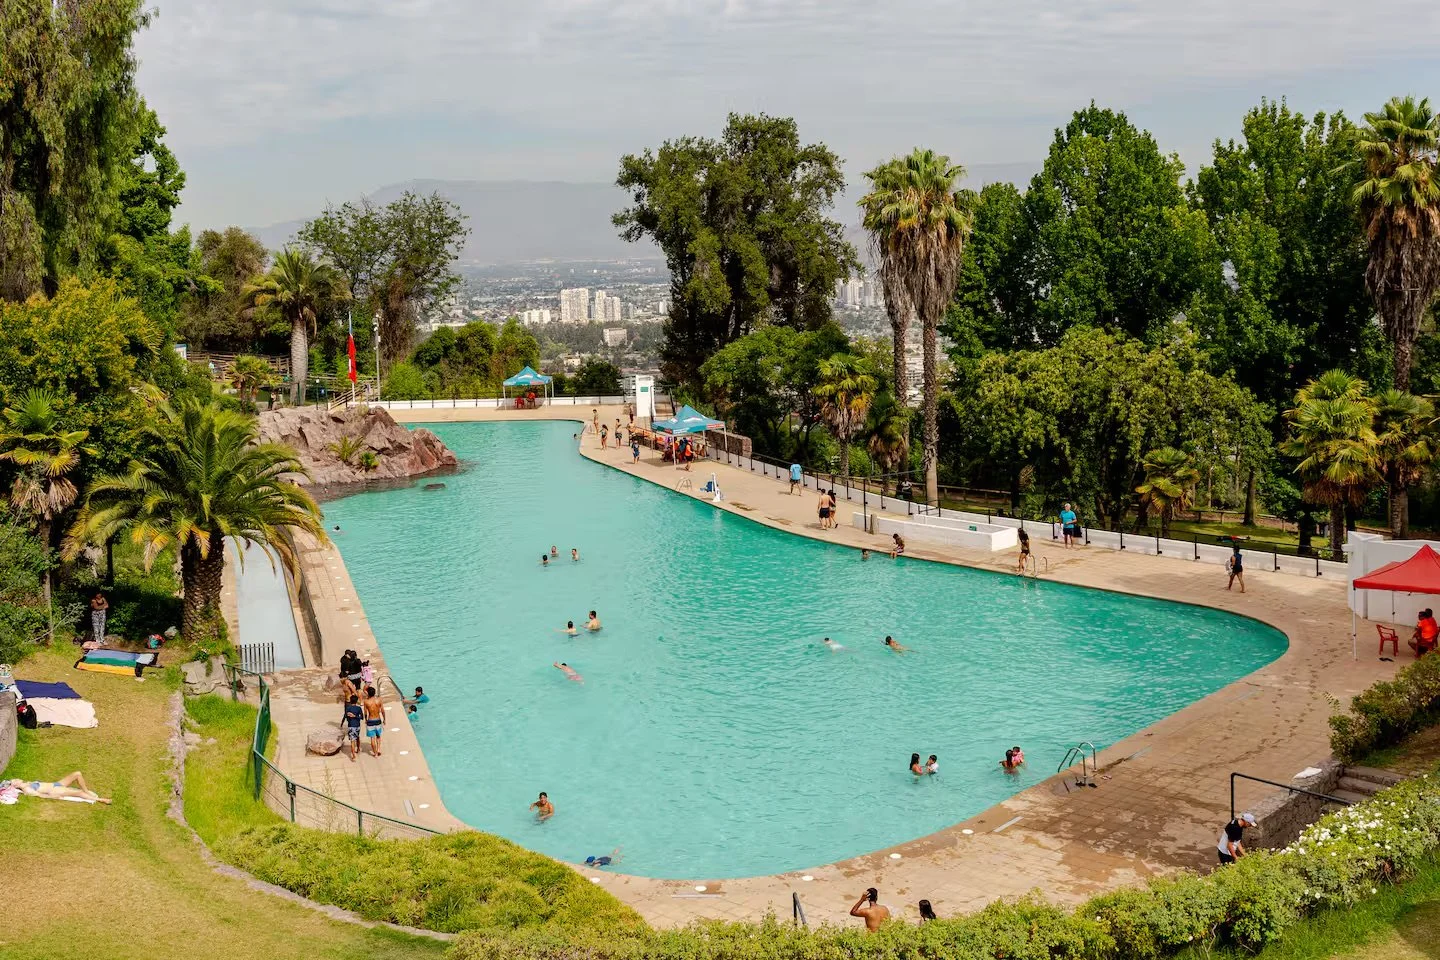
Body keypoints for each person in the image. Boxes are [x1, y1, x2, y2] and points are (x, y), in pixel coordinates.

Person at [4, 771, 111, 804]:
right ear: (16, 785)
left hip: (57, 784)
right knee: (78, 793)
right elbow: (40, 795)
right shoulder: (27, 790)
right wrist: (53, 797)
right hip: (55, 790)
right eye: (15, 780)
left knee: (77, 774)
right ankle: (100, 799)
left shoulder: (28, 783)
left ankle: (86, 790)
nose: (17, 778)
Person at [362, 685, 386, 757]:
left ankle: (375, 754)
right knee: (378, 736)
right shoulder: (379, 700)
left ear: (368, 693)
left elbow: (365, 713)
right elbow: (382, 711)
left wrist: (366, 720)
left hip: (370, 720)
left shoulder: (366, 702)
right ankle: (378, 749)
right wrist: (384, 719)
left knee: (372, 737)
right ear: (374, 693)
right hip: (378, 720)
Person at [341, 694, 363, 761]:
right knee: (358, 737)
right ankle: (358, 748)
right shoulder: (359, 708)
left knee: (352, 741)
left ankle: (353, 755)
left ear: (350, 701)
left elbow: (345, 717)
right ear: (356, 701)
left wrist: (342, 723)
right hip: (357, 726)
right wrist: (356, 716)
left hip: (351, 726)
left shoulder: (348, 708)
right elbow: (362, 717)